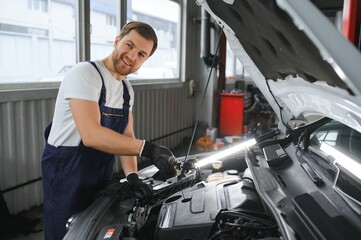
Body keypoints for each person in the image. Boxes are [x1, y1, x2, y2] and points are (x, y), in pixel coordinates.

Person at [41, 21, 177, 240]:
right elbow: (91, 135)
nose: (132, 56)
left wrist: (133, 176)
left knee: (93, 228)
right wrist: (148, 149)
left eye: (141, 54)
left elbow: (126, 134)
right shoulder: (86, 73)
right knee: (66, 231)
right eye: (129, 45)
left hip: (99, 170)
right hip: (66, 171)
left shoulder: (126, 90)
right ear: (117, 41)